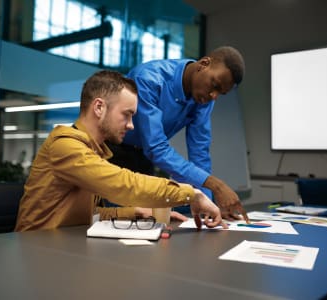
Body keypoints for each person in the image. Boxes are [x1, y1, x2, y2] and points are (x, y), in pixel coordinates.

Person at [15, 70, 226, 232]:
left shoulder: (96, 151)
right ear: (99, 108)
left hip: (65, 245)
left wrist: (135, 212)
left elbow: (89, 215)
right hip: (36, 249)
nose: (131, 125)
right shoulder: (65, 146)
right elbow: (124, 184)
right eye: (126, 115)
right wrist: (192, 194)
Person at [107, 46, 250, 222]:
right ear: (204, 64)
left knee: (146, 222)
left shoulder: (204, 100)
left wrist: (209, 206)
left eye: (221, 93)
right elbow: (156, 148)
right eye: (215, 86)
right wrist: (216, 185)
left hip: (143, 157)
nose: (214, 96)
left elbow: (200, 154)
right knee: (115, 219)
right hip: (112, 152)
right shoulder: (148, 79)